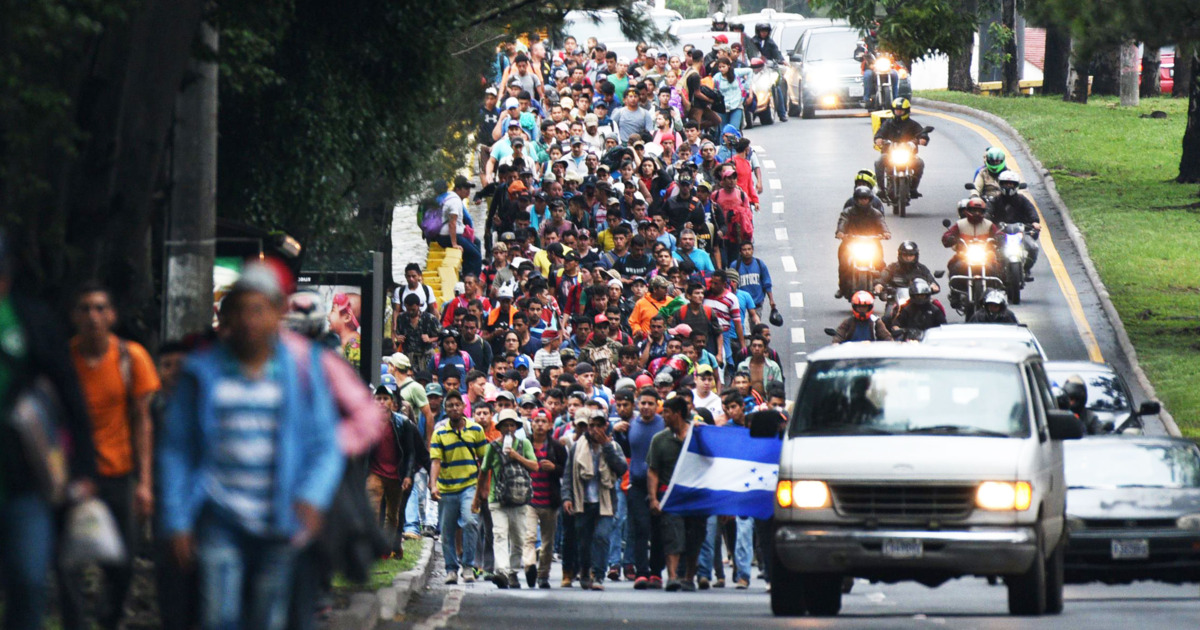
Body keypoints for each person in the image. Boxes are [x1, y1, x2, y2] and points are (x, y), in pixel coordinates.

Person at [160, 264, 344, 630]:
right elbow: (176, 449)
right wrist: (177, 518)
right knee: (218, 618)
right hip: (218, 517)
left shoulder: (303, 370)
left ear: (278, 312)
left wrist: (312, 494)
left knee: (267, 618)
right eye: (240, 310)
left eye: (258, 310)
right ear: (226, 317)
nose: (249, 321)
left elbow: (325, 444)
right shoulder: (202, 371)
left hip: (280, 519)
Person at [0, 232, 98, 630]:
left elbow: (71, 395)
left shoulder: (32, 320)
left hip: (26, 483)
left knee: (28, 581)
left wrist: (85, 468)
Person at [67, 281, 162, 630]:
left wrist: (146, 484)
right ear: (74, 316)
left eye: (99, 308)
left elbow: (143, 422)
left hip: (118, 473)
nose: (93, 316)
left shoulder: (130, 357)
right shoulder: (64, 358)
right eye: (85, 308)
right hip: (74, 475)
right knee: (68, 564)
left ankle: (109, 620)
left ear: (112, 315)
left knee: (122, 562)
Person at [561, 408, 629, 590]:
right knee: (583, 541)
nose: (595, 430)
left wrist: (606, 446)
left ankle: (598, 576)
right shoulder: (578, 447)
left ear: (606, 426)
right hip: (583, 500)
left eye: (599, 425)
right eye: (592, 426)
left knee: (602, 537)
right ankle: (584, 571)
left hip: (605, 500)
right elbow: (568, 474)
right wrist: (567, 497)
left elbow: (621, 468)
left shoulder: (613, 446)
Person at [474, 409, 538, 589]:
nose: (509, 428)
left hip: (519, 499)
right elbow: (484, 470)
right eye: (505, 425)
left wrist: (516, 456)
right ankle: (501, 571)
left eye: (512, 425)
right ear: (500, 428)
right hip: (498, 498)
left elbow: (534, 466)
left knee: (518, 538)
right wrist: (479, 495)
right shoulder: (493, 447)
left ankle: (513, 572)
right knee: (499, 534)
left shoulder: (524, 444)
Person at [648, 395, 706, 592]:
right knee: (672, 536)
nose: (663, 416)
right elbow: (653, 471)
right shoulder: (659, 440)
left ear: (678, 414)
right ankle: (673, 577)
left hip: (696, 498)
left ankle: (689, 577)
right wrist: (654, 498)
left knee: (694, 537)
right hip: (671, 497)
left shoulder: (698, 436)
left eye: (667, 412)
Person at [429, 390, 487, 584]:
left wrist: (483, 488)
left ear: (463, 407)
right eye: (450, 405)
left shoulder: (476, 430)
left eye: (457, 405)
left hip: (470, 485)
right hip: (446, 488)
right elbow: (435, 461)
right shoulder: (440, 433)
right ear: (445, 409)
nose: (454, 408)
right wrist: (433, 484)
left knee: (470, 522)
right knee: (447, 531)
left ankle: (468, 566)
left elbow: (484, 460)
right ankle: (451, 569)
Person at [368, 383, 419, 558]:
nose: (381, 402)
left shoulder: (402, 423)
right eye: (378, 399)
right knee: (373, 510)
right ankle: (375, 548)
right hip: (375, 472)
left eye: (385, 399)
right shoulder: (368, 423)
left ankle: (389, 547)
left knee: (393, 515)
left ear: (392, 402)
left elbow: (411, 452)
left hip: (396, 474)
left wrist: (407, 475)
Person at [524, 408, 567, 588]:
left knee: (548, 542)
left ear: (550, 425)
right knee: (529, 536)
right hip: (529, 500)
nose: (540, 425)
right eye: (536, 421)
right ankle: (529, 566)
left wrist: (554, 468)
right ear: (531, 424)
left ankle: (543, 575)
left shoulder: (556, 446)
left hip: (550, 500)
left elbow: (566, 469)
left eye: (544, 422)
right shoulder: (524, 444)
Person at [942, 197, 1001, 309]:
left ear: (984, 212)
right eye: (974, 210)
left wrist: (1000, 237)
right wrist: (950, 238)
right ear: (968, 210)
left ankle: (996, 292)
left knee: (996, 269)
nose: (977, 213)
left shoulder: (989, 224)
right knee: (954, 267)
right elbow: (947, 236)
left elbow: (999, 233)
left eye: (979, 211)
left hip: (986, 257)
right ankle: (955, 294)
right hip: (964, 256)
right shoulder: (960, 224)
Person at [835, 186, 890, 299]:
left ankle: (883, 287)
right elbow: (842, 222)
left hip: (872, 243)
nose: (863, 201)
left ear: (870, 200)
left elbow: (882, 223)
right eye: (861, 198)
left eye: (866, 198)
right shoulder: (848, 212)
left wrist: (885, 233)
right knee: (844, 264)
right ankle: (842, 287)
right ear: (856, 199)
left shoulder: (876, 213)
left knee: (880, 264)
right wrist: (840, 232)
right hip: (850, 243)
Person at [988, 170, 1041, 281]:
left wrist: (1034, 222)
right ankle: (994, 272)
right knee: (987, 251)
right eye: (1005, 184)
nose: (1008, 186)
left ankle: (1026, 270)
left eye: (1011, 184)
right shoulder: (995, 200)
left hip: (1020, 232)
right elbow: (987, 213)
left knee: (1033, 248)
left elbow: (1031, 211)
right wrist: (988, 224)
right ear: (1000, 184)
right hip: (1000, 233)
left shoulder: (1022, 199)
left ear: (1016, 185)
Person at [873, 98, 929, 199]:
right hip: (890, 154)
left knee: (919, 163)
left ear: (906, 111)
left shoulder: (912, 124)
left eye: (901, 110)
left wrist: (923, 138)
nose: (898, 112)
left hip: (908, 155)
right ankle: (881, 189)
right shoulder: (888, 123)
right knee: (879, 162)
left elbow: (921, 132)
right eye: (897, 110)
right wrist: (878, 139)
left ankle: (913, 189)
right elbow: (880, 133)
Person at [439, 175, 484, 277]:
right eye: (466, 188)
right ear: (458, 189)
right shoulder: (455, 201)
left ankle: (466, 274)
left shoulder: (450, 196)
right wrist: (454, 244)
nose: (468, 191)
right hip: (448, 236)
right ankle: (474, 281)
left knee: (476, 242)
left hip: (449, 234)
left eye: (469, 188)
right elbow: (452, 223)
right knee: (476, 256)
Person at [874, 240, 939, 296]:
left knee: (935, 305)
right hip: (896, 300)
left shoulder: (921, 268)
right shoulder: (892, 267)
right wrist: (879, 285)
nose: (908, 258)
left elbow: (931, 281)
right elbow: (882, 278)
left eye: (911, 255)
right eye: (905, 255)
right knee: (890, 308)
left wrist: (933, 285)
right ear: (900, 255)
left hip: (918, 300)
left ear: (915, 255)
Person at [731, 241, 777, 317]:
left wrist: (771, 300)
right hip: (741, 304)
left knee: (756, 326)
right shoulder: (735, 265)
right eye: (744, 250)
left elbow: (767, 283)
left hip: (757, 303)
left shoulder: (759, 264)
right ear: (740, 252)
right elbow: (731, 284)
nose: (747, 252)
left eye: (749, 249)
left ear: (752, 250)